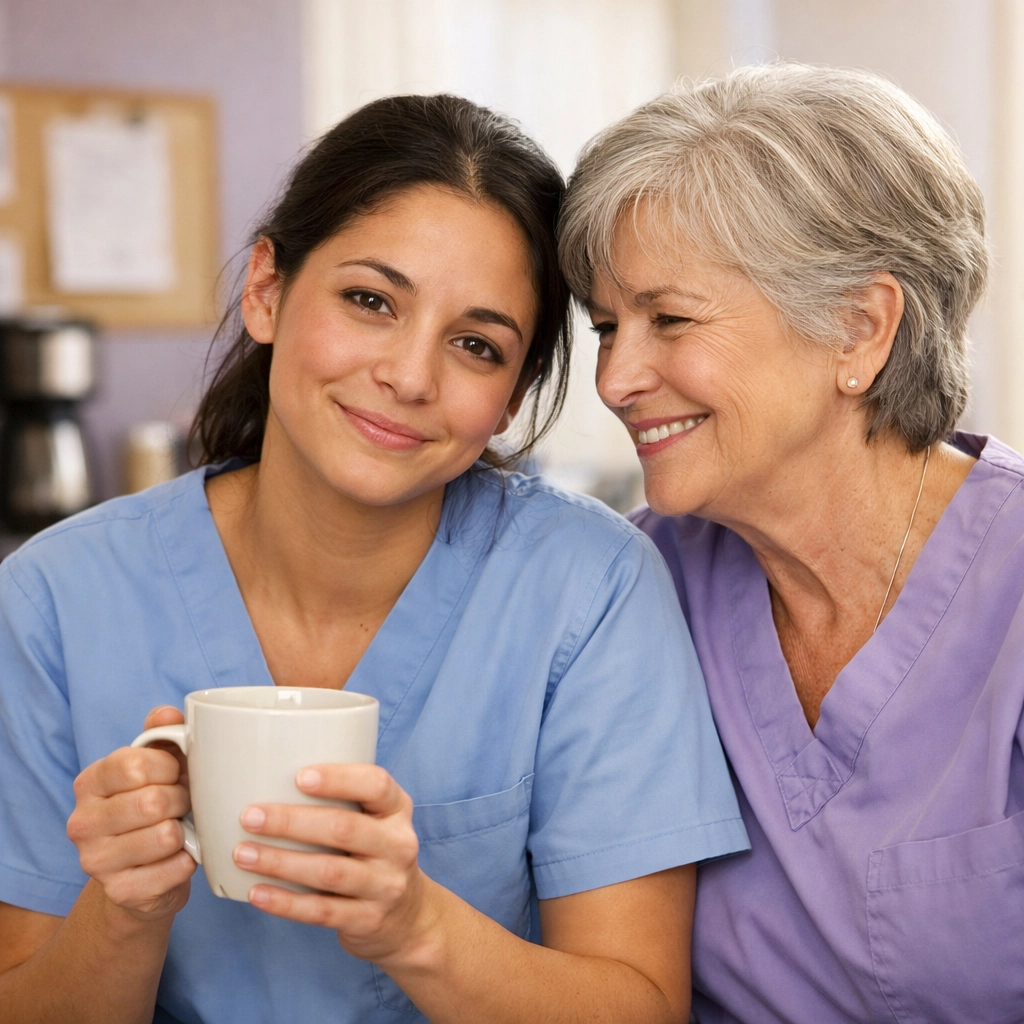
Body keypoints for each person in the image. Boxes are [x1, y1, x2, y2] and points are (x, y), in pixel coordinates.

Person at [0, 94, 747, 1024]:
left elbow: (641, 1007)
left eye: (476, 345)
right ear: (267, 289)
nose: (409, 376)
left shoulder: (589, 591)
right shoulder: (52, 600)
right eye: (370, 301)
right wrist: (122, 909)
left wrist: (414, 926)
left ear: (511, 397)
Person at [558, 62, 1024, 1024]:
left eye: (668, 319)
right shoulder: (635, 585)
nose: (615, 379)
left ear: (859, 329)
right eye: (607, 327)